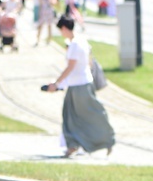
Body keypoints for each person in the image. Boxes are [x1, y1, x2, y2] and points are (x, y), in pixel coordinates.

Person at [46, 15, 115, 157]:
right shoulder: (81, 41)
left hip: (79, 86)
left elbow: (70, 67)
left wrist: (57, 83)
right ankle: (74, 145)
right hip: (80, 84)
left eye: (61, 30)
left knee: (81, 115)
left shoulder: (74, 45)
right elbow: (87, 64)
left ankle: (105, 139)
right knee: (75, 115)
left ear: (64, 28)